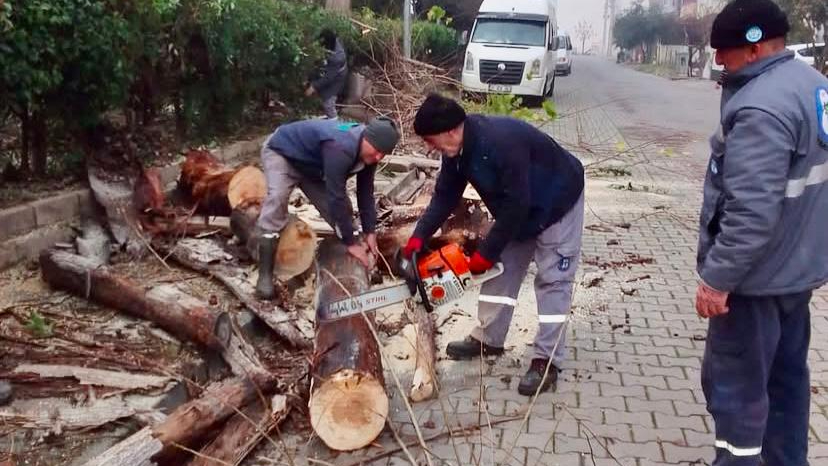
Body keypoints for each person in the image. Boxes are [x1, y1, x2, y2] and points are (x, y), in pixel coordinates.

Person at [695, 1, 828, 465]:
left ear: (753, 49)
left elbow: (750, 212)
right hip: (796, 274)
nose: (718, 62)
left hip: (752, 284)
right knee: (787, 383)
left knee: (735, 392)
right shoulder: (815, 87)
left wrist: (718, 279)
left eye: (724, 53)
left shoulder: (760, 107)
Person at [403, 93, 585, 396]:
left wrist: (485, 253)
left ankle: (546, 360)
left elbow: (518, 202)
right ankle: (489, 338)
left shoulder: (500, 142)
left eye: (430, 140)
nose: (428, 147)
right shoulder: (455, 153)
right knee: (502, 272)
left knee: (553, 280)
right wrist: (418, 238)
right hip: (518, 210)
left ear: (450, 130)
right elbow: (445, 196)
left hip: (557, 202)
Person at [255, 117, 400, 299]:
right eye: (377, 150)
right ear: (366, 138)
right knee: (276, 200)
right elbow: (335, 195)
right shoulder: (340, 146)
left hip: (312, 167)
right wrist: (351, 243)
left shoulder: (369, 153)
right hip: (283, 153)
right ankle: (264, 277)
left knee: (344, 210)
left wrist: (370, 231)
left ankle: (355, 263)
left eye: (383, 154)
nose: (378, 157)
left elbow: (365, 192)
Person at [306, 29, 348, 119]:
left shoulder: (337, 57)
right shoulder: (331, 40)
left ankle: (335, 123)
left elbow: (329, 77)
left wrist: (313, 87)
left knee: (328, 103)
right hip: (328, 68)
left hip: (337, 76)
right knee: (322, 93)